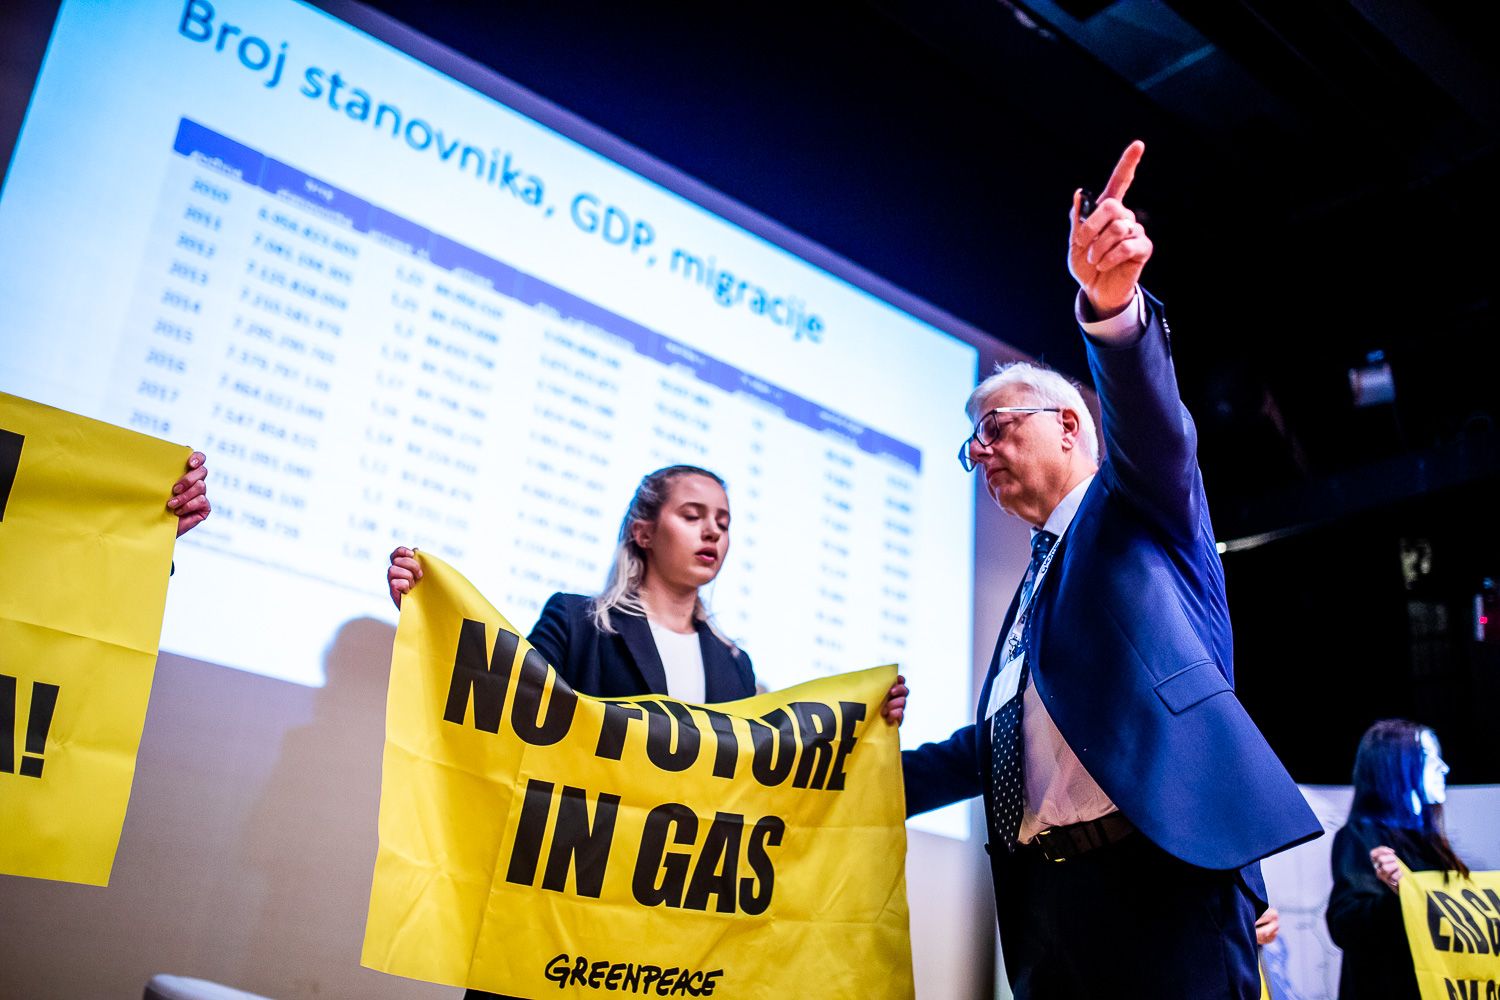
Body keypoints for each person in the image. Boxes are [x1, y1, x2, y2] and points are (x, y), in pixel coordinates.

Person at [900, 140, 1322, 999]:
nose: (980, 453)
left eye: (996, 427)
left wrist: (1113, 311)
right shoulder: (1032, 592)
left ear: (1068, 424)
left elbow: (1155, 426)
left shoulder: (1138, 504)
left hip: (1163, 892)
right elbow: (997, 748)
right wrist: (840, 771)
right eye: (970, 445)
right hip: (1052, 914)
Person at [388, 465, 908, 1000]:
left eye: (723, 522)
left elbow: (757, 791)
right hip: (565, 910)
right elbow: (508, 709)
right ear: (643, 531)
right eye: (693, 515)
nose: (713, 532)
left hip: (675, 935)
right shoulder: (576, 621)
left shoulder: (735, 667)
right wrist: (433, 616)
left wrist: (866, 726)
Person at [1326, 719, 1467, 1000]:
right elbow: (1346, 925)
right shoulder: (1361, 835)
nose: (1443, 767)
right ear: (1394, 766)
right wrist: (1402, 895)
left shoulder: (1430, 843)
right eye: (1429, 757)